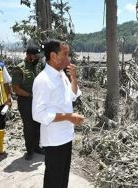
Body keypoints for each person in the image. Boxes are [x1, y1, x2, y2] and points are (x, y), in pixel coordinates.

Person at [32, 39, 85, 188]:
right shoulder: (43, 80)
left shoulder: (61, 75)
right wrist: (69, 117)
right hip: (54, 140)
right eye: (65, 54)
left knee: (63, 178)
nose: (69, 58)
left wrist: (73, 78)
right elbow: (38, 113)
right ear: (54, 56)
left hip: (66, 136)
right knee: (53, 180)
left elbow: (73, 95)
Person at [12, 45, 45, 160]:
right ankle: (29, 150)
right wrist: (30, 95)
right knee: (29, 126)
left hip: (38, 101)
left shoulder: (37, 67)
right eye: (36, 56)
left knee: (37, 124)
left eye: (38, 57)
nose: (37, 59)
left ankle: (37, 147)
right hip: (26, 101)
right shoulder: (19, 68)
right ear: (29, 55)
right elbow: (15, 88)